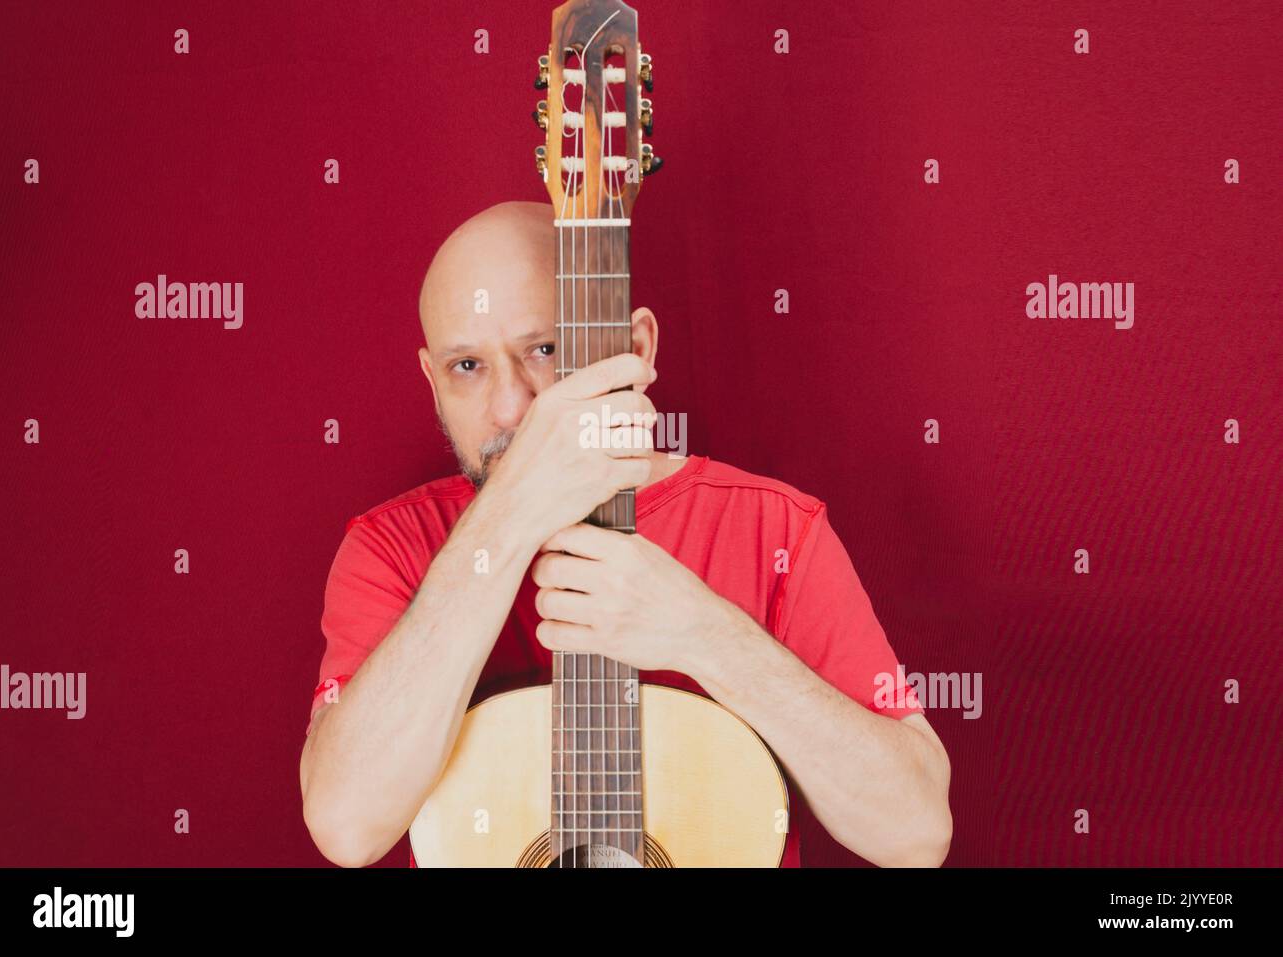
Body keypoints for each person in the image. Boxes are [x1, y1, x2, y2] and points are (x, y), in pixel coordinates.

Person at [299, 200, 952, 868]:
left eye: (545, 349)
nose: (511, 406)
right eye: (468, 366)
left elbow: (916, 832)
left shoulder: (776, 529)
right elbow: (347, 826)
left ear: (635, 350)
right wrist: (515, 508)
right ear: (432, 381)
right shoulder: (390, 548)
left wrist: (705, 634)